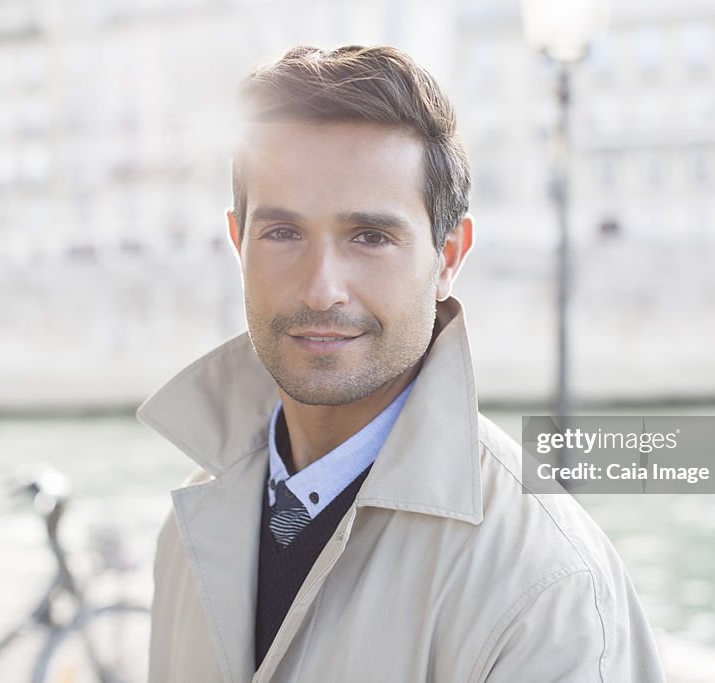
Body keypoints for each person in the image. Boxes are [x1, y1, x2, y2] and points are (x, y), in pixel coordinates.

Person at [138, 44, 665, 682]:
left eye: (371, 237)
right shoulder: (191, 526)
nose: (321, 289)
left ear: (448, 257)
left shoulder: (545, 585)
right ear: (237, 243)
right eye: (283, 233)